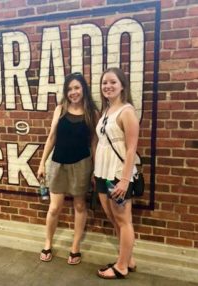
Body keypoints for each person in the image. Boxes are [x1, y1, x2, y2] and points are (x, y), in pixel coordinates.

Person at [37, 72, 98, 265]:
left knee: (80, 206)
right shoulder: (60, 109)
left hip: (82, 164)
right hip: (58, 163)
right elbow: (52, 137)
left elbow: (94, 143)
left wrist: (95, 169)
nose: (73, 92)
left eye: (77, 88)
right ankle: (48, 242)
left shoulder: (92, 112)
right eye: (70, 88)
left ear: (83, 89)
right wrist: (41, 162)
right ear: (66, 91)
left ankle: (75, 247)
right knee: (54, 207)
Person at [94, 67, 139, 279]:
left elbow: (131, 148)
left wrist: (124, 180)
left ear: (122, 86)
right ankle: (127, 259)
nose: (108, 86)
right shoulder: (106, 111)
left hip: (118, 173)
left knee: (123, 220)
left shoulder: (126, 111)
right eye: (105, 83)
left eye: (113, 82)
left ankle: (121, 267)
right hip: (102, 172)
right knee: (113, 217)